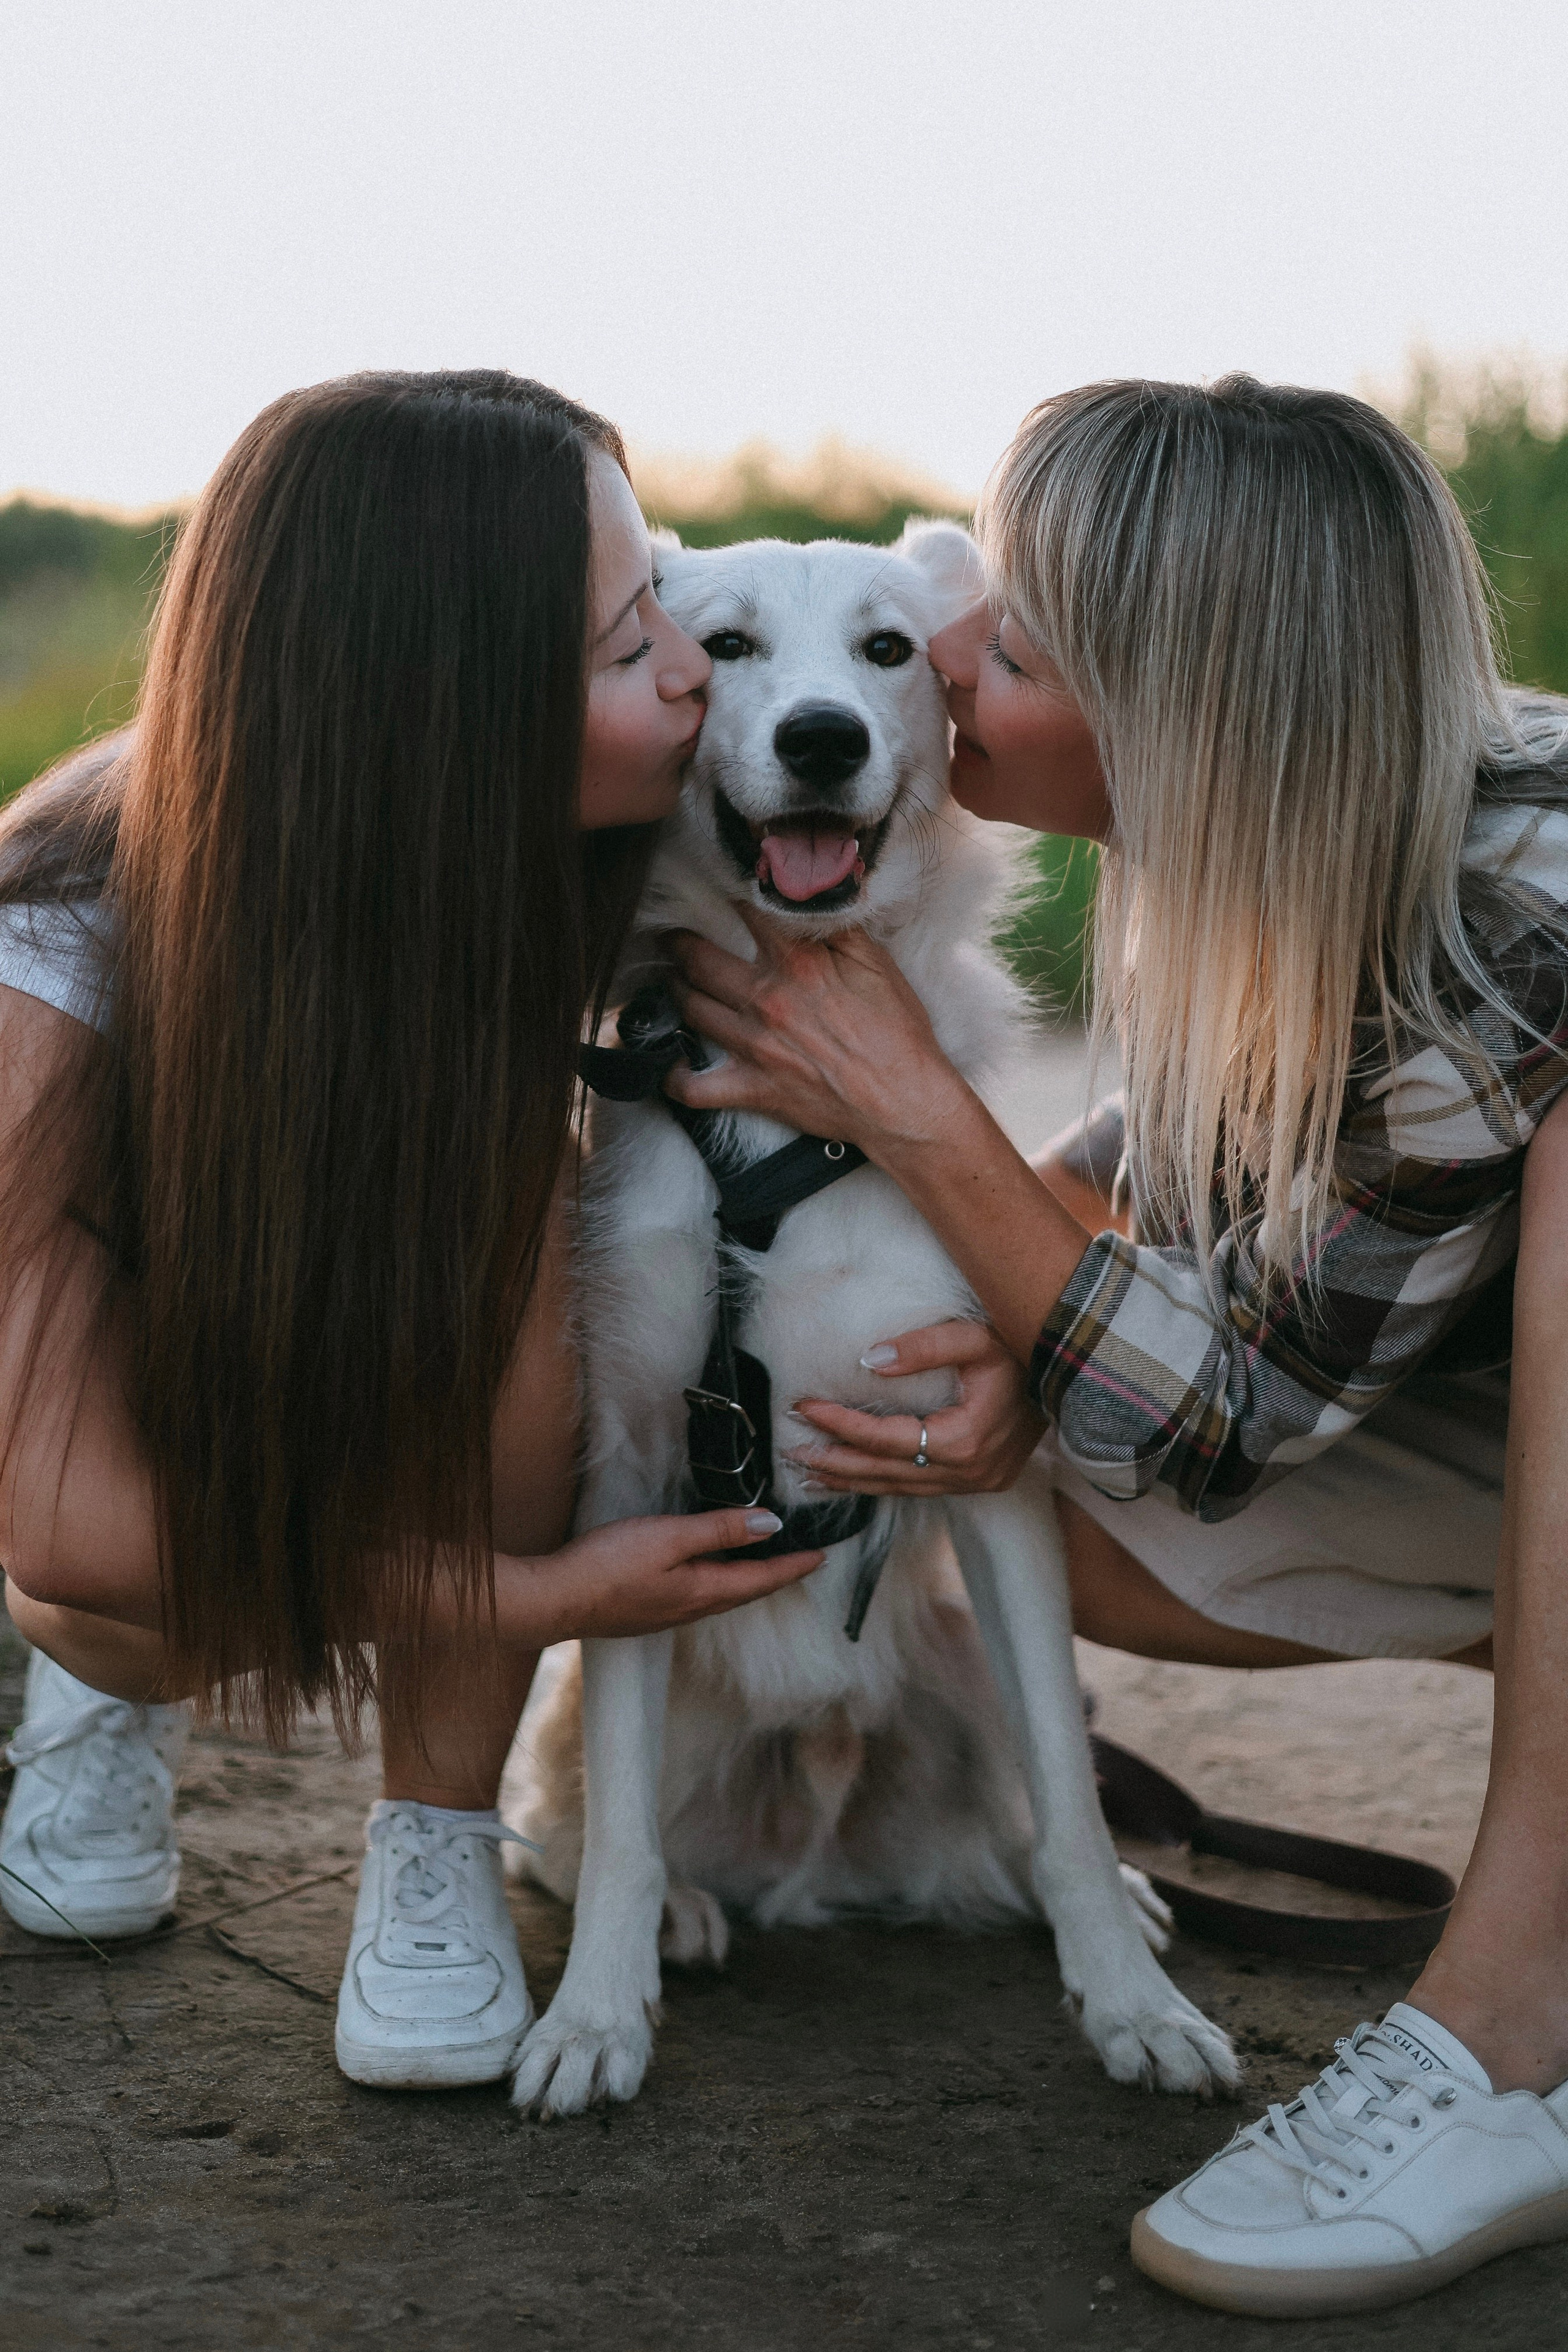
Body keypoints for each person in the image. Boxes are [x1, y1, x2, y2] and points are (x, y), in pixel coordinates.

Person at [662, 375, 1568, 2316]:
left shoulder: (1524, 922)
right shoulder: (1276, 839)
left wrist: (918, 1116)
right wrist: (1004, 1287)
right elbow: (1165, 1190)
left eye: (1020, 636)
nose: (957, 656)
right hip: (1451, 1419)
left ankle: (1509, 2035)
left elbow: (1224, 1418)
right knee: (952, 1459)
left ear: (1185, 706)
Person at [0, 369, 824, 2091]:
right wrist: (533, 1591)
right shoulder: (59, 945)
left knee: (532, 1210)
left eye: (660, 600)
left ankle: (434, 1831)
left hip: (386, 1341)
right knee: (116, 1615)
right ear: (442, 713)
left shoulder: (640, 819)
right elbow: (70, 1529)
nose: (688, 671)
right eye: (623, 651)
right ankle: (99, 1720)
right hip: (147, 1463)